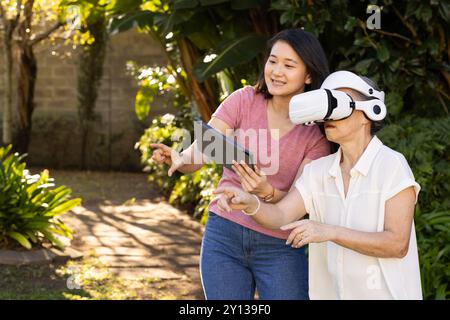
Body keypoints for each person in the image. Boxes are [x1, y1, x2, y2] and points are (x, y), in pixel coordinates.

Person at [150, 29, 330, 299]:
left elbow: (295, 205)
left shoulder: (316, 138)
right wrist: (181, 159)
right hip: (224, 234)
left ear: (308, 76)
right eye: (273, 61)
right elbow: (200, 152)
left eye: (289, 65)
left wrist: (263, 191)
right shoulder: (244, 100)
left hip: (279, 245)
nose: (277, 71)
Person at [214, 71, 423, 300]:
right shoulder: (318, 171)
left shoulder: (391, 165)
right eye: (326, 108)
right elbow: (280, 215)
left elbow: (396, 244)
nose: (328, 117)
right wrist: (250, 203)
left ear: (367, 114)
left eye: (338, 105)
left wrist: (329, 231)